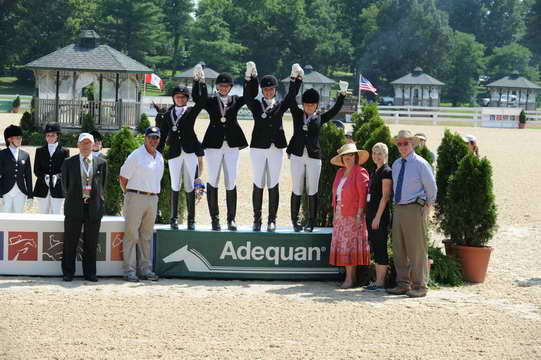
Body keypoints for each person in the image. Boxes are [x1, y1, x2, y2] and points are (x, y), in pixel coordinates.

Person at [244, 62, 302, 231]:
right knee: (258, 182)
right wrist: (249, 78)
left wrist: (295, 78)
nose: (268, 92)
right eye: (266, 90)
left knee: (273, 183)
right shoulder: (256, 105)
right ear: (262, 91)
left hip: (276, 148)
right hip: (258, 148)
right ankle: (257, 220)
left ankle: (272, 220)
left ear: (275, 90)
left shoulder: (280, 104)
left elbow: (292, 95)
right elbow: (247, 97)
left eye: (271, 89)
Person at [287, 78, 349, 232]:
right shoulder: (297, 114)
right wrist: (295, 80)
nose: (309, 107)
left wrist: (342, 94)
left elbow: (334, 111)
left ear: (316, 105)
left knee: (313, 189)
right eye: (307, 105)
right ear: (303, 104)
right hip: (297, 155)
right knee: (297, 188)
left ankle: (310, 222)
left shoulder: (319, 118)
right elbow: (290, 98)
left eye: (312, 105)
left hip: (314, 157)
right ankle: (295, 222)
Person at [386, 130, 437, 298]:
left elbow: (431, 188)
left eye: (406, 143)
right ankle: (403, 284)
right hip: (399, 208)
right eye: (399, 144)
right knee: (399, 248)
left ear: (412, 144)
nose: (402, 146)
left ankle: (420, 285)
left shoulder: (421, 164)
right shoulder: (396, 164)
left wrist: (426, 206)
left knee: (417, 249)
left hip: (415, 208)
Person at [157, 64, 207, 230]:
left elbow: (202, 101)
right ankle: (174, 218)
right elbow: (163, 135)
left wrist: (198, 81)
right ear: (173, 98)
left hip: (190, 151)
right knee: (174, 185)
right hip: (174, 152)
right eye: (177, 97)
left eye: (183, 97)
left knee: (190, 185)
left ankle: (191, 219)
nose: (180, 99)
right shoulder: (167, 114)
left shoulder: (191, 111)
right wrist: (157, 154)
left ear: (187, 99)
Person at [201, 67, 251, 231]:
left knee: (231, 180)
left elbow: (250, 94)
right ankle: (215, 219)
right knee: (213, 180)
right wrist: (198, 82)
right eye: (221, 86)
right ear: (217, 87)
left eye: (226, 86)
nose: (223, 88)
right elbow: (197, 97)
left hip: (231, 145)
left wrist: (250, 78)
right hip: (213, 145)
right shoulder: (210, 101)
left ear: (230, 87)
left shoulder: (235, 100)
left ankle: (231, 219)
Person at [119, 126, 164, 282]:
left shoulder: (159, 157)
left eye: (156, 138)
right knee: (131, 235)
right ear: (145, 138)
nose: (153, 140)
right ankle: (129, 271)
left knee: (146, 236)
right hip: (136, 196)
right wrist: (130, 195)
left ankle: (145, 269)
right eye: (151, 137)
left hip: (152, 199)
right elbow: (123, 178)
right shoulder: (136, 155)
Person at [61, 133, 107, 282]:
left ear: (93, 145)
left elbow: (103, 185)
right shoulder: (69, 162)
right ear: (78, 145)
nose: (86, 146)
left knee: (91, 243)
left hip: (93, 208)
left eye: (89, 143)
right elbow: (65, 185)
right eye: (83, 143)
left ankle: (90, 273)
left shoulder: (101, 163)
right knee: (70, 242)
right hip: (74, 207)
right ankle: (68, 273)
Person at [329, 143, 370, 288]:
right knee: (343, 246)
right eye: (345, 155)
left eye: (351, 155)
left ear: (356, 156)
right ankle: (349, 277)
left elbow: (362, 196)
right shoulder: (340, 173)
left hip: (353, 215)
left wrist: (359, 215)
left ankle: (350, 279)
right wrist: (335, 213)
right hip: (340, 215)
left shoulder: (360, 172)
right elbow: (336, 195)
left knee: (349, 247)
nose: (347, 158)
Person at [365, 143, 392, 290]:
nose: (376, 156)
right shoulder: (374, 171)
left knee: (381, 247)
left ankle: (381, 283)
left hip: (379, 217)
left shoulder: (386, 171)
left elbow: (385, 196)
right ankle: (376, 281)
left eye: (380, 153)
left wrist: (377, 217)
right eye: (374, 153)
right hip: (370, 215)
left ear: (386, 155)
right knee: (375, 246)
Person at [33, 123, 70, 214]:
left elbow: (66, 170)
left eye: (52, 135)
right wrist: (44, 176)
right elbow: (36, 169)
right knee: (43, 213)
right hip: (42, 187)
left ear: (57, 135)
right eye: (48, 135)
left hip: (58, 188)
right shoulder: (39, 151)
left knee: (56, 213)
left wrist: (57, 176)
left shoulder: (64, 151)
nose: (50, 138)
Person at [0, 125, 33, 213]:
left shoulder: (25, 155)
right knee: (5, 220)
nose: (20, 140)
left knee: (19, 219)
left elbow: (28, 176)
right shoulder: (2, 154)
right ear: (9, 139)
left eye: (20, 137)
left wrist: (30, 195)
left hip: (20, 192)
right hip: (5, 192)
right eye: (17, 137)